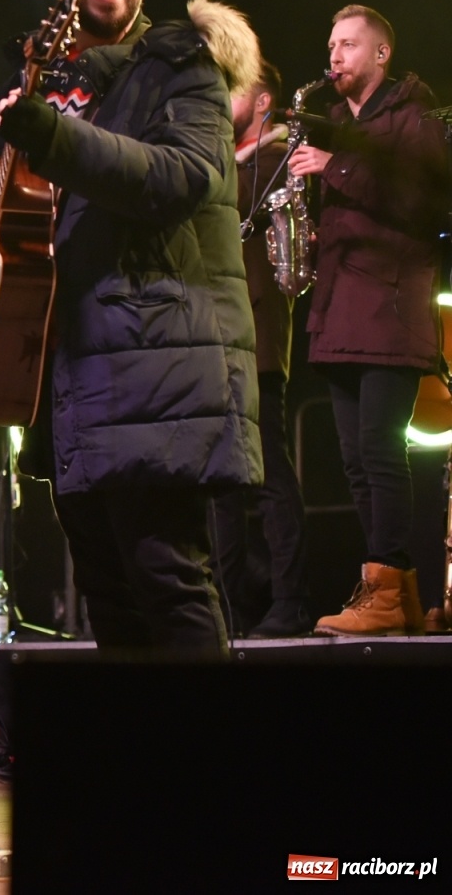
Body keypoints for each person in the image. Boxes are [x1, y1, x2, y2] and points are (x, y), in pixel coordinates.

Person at [0, 0, 263, 653]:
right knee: (108, 593)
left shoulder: (182, 65)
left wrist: (57, 138)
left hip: (156, 362)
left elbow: (184, 176)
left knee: (167, 577)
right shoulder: (39, 78)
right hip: (71, 370)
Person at [291, 6, 451, 636]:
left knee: (382, 453)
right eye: (331, 44)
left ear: (380, 55)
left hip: (389, 309)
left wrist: (335, 168)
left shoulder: (416, 119)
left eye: (348, 45)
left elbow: (421, 200)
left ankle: (386, 587)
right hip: (338, 311)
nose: (334, 55)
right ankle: (396, 594)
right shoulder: (332, 122)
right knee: (356, 459)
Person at [210, 61, 312, 637]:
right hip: (219, 334)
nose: (223, 99)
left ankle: (288, 599)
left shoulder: (277, 160)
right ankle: (232, 600)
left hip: (260, 338)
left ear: (264, 99)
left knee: (269, 470)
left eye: (235, 89)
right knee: (221, 481)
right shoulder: (234, 159)